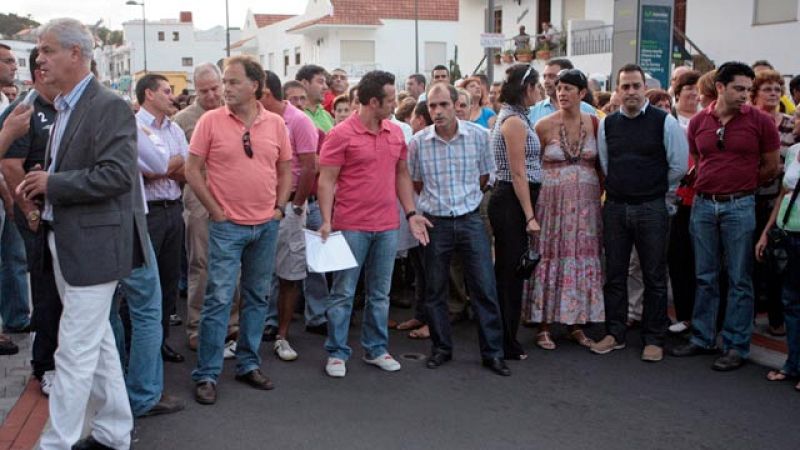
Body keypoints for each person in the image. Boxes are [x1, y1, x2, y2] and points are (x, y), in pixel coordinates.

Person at [21, 18, 144, 449]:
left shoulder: (106, 104)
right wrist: (45, 180)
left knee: (73, 352)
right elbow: (80, 171)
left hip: (93, 248)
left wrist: (53, 185)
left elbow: (116, 175)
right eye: (38, 50)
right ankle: (114, 433)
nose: (40, 58)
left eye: (47, 49)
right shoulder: (65, 106)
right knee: (101, 346)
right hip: (68, 241)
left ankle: (55, 443)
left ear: (76, 54)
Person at [187, 56, 292, 404]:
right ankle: (206, 373)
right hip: (227, 226)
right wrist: (216, 212)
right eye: (225, 82)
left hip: (265, 225)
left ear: (254, 85)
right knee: (218, 300)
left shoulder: (276, 124)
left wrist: (278, 208)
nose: (226, 89)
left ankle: (248, 363)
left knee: (257, 297)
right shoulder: (210, 122)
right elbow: (192, 169)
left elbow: (285, 169)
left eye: (233, 82)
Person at [317, 70, 429, 378]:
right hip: (351, 224)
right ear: (374, 101)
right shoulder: (340, 133)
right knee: (344, 292)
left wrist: (410, 213)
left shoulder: (395, 133)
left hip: (387, 225)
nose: (396, 103)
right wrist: (326, 220)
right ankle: (337, 352)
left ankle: (376, 349)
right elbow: (326, 180)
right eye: (391, 99)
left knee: (381, 293)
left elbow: (401, 175)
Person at [671, 62, 780, 371]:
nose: (746, 95)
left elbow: (771, 167)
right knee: (704, 276)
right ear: (720, 88)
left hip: (740, 206)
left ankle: (736, 345)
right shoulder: (698, 122)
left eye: (748, 89)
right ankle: (703, 338)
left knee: (739, 279)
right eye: (739, 88)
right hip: (703, 206)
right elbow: (699, 159)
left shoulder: (760, 122)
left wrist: (742, 187)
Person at [409, 82, 509, 375]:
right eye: (432, 106)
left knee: (484, 288)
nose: (437, 111)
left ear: (456, 105)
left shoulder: (479, 136)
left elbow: (485, 176)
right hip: (435, 222)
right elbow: (415, 182)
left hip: (470, 219)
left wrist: (464, 200)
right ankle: (441, 348)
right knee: (435, 290)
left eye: (443, 105)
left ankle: (492, 353)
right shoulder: (418, 142)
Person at [592, 63, 688, 362]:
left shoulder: (665, 122)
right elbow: (606, 165)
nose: (631, 92)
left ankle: (653, 338)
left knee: (655, 276)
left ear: (644, 87)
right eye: (625, 87)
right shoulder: (608, 124)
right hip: (617, 207)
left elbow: (679, 166)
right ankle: (615, 333)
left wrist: (655, 190)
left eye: (636, 86)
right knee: (615, 274)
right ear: (618, 90)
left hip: (651, 207)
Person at [524, 68, 604, 350]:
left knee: (580, 257)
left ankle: (576, 323)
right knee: (550, 255)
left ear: (582, 93)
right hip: (552, 204)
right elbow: (530, 167)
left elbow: (601, 164)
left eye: (569, 88)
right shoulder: (543, 125)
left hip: (586, 205)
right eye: (559, 88)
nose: (562, 93)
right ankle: (543, 323)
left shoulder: (595, 123)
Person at [0, 47, 58, 386]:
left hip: (62, 216)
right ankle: (43, 364)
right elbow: (10, 165)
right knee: (45, 291)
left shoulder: (65, 108)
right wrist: (28, 210)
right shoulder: (23, 110)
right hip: (37, 216)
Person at [174, 63, 240, 354]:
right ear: (194, 90)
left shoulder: (238, 112)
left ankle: (233, 324)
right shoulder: (183, 120)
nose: (212, 95)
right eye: (205, 91)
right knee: (200, 264)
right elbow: (175, 165)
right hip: (198, 200)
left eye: (216, 88)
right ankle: (197, 326)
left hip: (234, 198)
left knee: (233, 264)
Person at [259, 69, 318, 361]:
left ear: (265, 92)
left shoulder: (298, 120)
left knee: (289, 273)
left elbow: (309, 167)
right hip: (258, 207)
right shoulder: (258, 120)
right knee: (258, 273)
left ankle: (282, 334)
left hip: (289, 206)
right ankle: (260, 328)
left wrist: (296, 205)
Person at [488, 64, 543, 360]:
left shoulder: (519, 117)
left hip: (517, 199)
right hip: (512, 200)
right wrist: (530, 216)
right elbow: (518, 174)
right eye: (537, 86)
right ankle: (505, 341)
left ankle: (505, 337)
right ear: (526, 88)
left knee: (512, 273)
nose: (541, 92)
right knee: (509, 275)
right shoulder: (514, 122)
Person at [134, 74, 188, 364]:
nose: (172, 96)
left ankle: (161, 341)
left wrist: (165, 166)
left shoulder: (175, 128)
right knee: (144, 282)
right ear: (149, 94)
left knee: (168, 280)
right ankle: (139, 345)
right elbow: (146, 171)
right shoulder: (134, 126)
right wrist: (171, 163)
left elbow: (184, 170)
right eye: (167, 91)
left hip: (173, 208)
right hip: (149, 212)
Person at [751, 69, 795, 337]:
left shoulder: (791, 123)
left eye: (777, 90)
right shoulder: (750, 121)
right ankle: (753, 311)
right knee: (751, 257)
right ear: (756, 94)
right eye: (767, 89)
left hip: (781, 202)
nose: (773, 94)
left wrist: (778, 168)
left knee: (778, 261)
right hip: (752, 196)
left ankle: (776, 318)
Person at [756, 141, 800, 392]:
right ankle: (792, 364)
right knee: (790, 302)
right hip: (786, 234)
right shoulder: (794, 150)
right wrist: (766, 232)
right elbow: (784, 194)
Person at [667, 69, 702, 334]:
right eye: (687, 88)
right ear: (677, 92)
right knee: (679, 259)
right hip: (675, 198)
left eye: (696, 88)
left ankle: (701, 317)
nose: (692, 93)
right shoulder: (669, 120)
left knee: (701, 261)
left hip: (701, 198)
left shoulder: (706, 119)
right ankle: (684, 313)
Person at [529, 58, 596, 124]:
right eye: (544, 77)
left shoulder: (588, 110)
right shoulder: (533, 112)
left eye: (552, 76)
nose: (546, 81)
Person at [297, 64, 334, 132]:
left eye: (325, 83)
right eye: (320, 82)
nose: (326, 87)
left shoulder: (327, 115)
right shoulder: (294, 114)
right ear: (304, 83)